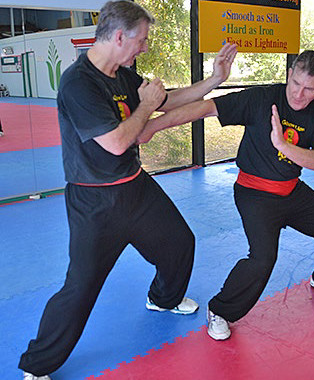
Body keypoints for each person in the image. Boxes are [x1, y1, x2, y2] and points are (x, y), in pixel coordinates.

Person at [18, 1, 237, 379]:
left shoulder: (121, 73)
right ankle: (38, 365)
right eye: (142, 39)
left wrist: (214, 79)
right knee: (80, 287)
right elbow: (118, 141)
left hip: (135, 187)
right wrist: (146, 107)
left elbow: (165, 100)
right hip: (94, 201)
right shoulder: (77, 83)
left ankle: (162, 299)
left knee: (179, 242)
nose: (146, 46)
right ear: (119, 36)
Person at [137, 50, 314, 341]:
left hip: (292, 191)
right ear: (290, 74)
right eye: (295, 84)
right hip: (254, 193)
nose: (299, 94)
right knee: (263, 258)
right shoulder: (262, 99)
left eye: (309, 89)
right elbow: (205, 108)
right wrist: (152, 126)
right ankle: (220, 310)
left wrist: (282, 144)